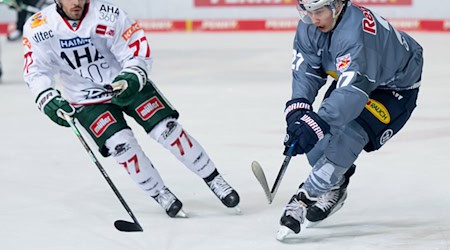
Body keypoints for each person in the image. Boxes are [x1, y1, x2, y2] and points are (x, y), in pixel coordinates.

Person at [23, 0, 240, 218]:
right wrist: (47, 96)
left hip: (125, 86)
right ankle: (160, 193)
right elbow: (35, 70)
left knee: (169, 131)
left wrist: (132, 74)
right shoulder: (38, 27)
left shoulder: (108, 15)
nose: (77, 2)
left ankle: (213, 179)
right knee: (122, 147)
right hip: (86, 99)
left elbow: (136, 51)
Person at [277, 0, 423, 240]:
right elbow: (306, 71)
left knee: (349, 137)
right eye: (308, 11)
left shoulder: (356, 34)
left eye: (319, 11)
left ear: (337, 5)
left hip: (394, 87)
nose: (313, 19)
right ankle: (335, 184)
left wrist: (313, 125)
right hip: (357, 76)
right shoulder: (310, 26)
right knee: (316, 145)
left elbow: (352, 93)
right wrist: (298, 111)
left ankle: (302, 200)